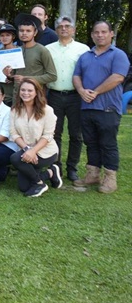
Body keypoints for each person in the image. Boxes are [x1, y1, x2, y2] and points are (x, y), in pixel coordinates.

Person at [72, 21, 130, 193]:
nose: (100, 35)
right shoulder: (85, 56)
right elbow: (76, 76)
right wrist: (81, 90)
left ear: (111, 34)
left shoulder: (118, 55)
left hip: (107, 108)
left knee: (108, 144)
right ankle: (92, 174)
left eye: (104, 32)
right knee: (91, 142)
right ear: (92, 35)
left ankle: (110, 179)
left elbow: (118, 77)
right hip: (87, 107)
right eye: (96, 32)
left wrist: (95, 92)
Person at [45, 16, 90, 181]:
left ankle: (72, 168)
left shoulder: (83, 49)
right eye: (60, 26)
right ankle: (56, 166)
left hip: (75, 96)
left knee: (76, 134)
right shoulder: (48, 49)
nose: (64, 29)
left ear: (74, 29)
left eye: (67, 26)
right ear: (56, 30)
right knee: (54, 133)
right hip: (54, 95)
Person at [9, 78, 61, 197]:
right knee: (24, 187)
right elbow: (13, 133)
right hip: (26, 151)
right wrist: (28, 150)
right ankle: (49, 174)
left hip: (45, 151)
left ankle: (39, 182)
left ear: (37, 92)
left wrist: (33, 151)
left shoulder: (47, 110)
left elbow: (48, 135)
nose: (25, 93)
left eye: (29, 90)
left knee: (15, 158)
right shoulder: (15, 110)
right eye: (23, 90)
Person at [4, 14, 57, 98]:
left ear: (35, 32)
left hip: (35, 97)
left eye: (28, 31)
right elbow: (15, 75)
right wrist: (9, 75)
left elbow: (52, 76)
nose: (24, 33)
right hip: (17, 96)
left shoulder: (42, 50)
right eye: (21, 31)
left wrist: (26, 78)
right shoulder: (16, 51)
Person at [0, 23, 18, 105]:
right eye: (2, 35)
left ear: (13, 37)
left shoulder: (20, 51)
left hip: (16, 91)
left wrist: (12, 77)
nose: (4, 38)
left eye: (7, 35)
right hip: (1, 93)